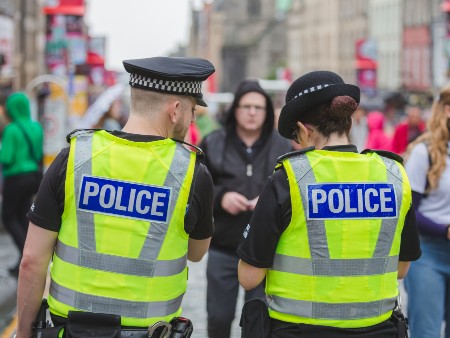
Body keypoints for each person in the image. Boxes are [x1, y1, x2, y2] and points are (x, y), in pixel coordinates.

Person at [16, 56, 216, 338]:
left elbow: (31, 261)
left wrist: (24, 334)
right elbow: (196, 253)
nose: (192, 118)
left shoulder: (75, 156)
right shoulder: (192, 172)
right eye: (192, 109)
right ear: (175, 110)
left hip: (70, 332)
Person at [237, 70, 421, 338]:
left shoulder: (289, 177)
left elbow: (249, 277)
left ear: (303, 129)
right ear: (347, 123)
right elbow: (401, 269)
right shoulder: (393, 174)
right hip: (379, 329)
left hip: (299, 331)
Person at [199, 79, 292, 338]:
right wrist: (222, 197)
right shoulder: (214, 142)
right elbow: (198, 188)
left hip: (265, 252)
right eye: (246, 106)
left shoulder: (281, 146)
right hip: (222, 246)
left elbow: (292, 190)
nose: (252, 112)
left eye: (258, 108)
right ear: (235, 109)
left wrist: (269, 201)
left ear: (267, 112)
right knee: (219, 317)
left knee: (258, 320)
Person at [403, 85, 450, 338]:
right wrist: (445, 230)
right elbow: (409, 211)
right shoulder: (425, 152)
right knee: (427, 332)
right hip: (429, 254)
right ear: (447, 110)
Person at [0, 92, 43, 277]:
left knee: (9, 217)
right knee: (24, 217)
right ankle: (23, 261)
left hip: (15, 179)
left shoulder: (11, 129)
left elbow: (6, 158)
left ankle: (26, 257)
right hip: (33, 177)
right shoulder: (36, 127)